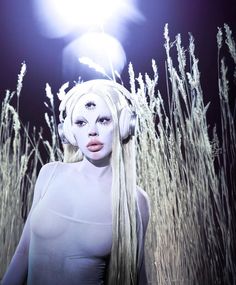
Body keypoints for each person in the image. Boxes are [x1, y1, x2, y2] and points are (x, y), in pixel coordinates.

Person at [1, 79, 150, 285]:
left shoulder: (133, 199)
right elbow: (22, 253)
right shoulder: (50, 174)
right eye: (81, 123)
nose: (92, 131)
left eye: (104, 120)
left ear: (124, 125)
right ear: (69, 132)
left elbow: (137, 277)